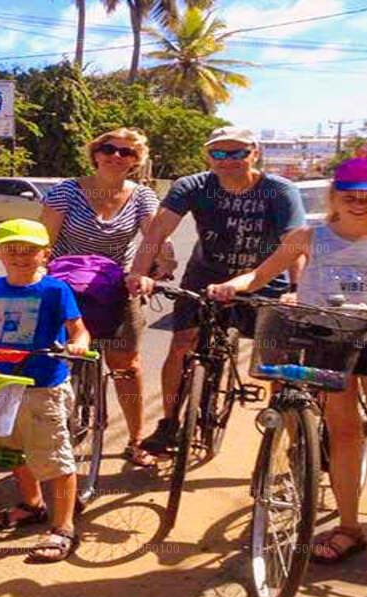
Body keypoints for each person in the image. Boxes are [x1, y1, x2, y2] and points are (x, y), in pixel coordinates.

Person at [207, 157, 367, 583]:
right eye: (351, 195)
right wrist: (230, 286)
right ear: (335, 196)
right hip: (326, 342)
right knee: (344, 434)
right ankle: (349, 528)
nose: (360, 203)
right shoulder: (308, 237)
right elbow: (261, 275)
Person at [127, 126, 305, 455]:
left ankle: (293, 435)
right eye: (219, 153)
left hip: (266, 282)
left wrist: (296, 288)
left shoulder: (280, 191)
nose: (228, 160)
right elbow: (156, 232)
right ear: (208, 156)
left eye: (237, 152)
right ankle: (169, 424)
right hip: (205, 278)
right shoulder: (192, 186)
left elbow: (294, 245)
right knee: (182, 344)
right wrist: (140, 272)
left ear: (254, 153)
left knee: (275, 359)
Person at [40, 128, 163, 467]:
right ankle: (30, 434)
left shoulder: (143, 197)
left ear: (136, 162)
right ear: (95, 154)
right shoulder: (67, 191)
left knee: (126, 365)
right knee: (44, 357)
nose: (116, 156)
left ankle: (137, 440)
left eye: (127, 152)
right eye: (109, 149)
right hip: (65, 286)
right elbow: (44, 241)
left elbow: (155, 238)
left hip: (117, 286)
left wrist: (156, 267)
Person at [0, 218, 92, 562]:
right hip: (4, 382)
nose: (20, 256)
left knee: (54, 456)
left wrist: (78, 345)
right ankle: (32, 503)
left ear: (46, 255)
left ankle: (63, 527)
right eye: (12, 249)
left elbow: (79, 329)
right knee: (11, 449)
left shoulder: (56, 290)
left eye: (29, 250)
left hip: (44, 386)